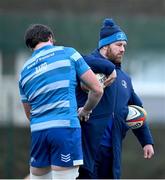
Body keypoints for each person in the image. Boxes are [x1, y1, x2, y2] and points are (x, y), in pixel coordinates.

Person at [19, 24, 104, 179]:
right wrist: (85, 110)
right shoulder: (68, 53)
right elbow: (97, 89)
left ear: (31, 47)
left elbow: (29, 114)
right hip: (64, 129)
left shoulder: (24, 71)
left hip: (38, 133)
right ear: (50, 38)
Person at [76, 18, 154, 179]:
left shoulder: (125, 78)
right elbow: (77, 58)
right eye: (118, 45)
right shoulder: (86, 67)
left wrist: (147, 141)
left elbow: (138, 109)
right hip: (87, 148)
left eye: (124, 45)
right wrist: (109, 68)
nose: (123, 49)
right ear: (105, 46)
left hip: (112, 151)